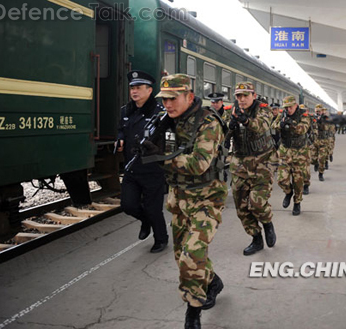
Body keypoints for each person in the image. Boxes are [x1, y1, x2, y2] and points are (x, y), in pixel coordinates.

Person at [156, 74, 228, 328]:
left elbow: (198, 164)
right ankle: (213, 281)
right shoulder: (167, 122)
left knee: (191, 256)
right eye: (164, 99)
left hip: (207, 199)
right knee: (182, 257)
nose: (168, 104)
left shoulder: (208, 123)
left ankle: (193, 311)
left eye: (173, 98)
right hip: (180, 199)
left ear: (189, 96)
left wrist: (161, 157)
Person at [116, 70, 169, 253]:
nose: (134, 92)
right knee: (127, 205)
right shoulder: (126, 110)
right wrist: (120, 138)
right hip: (131, 168)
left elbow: (169, 139)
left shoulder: (160, 113)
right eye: (132, 88)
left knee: (154, 209)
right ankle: (145, 221)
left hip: (152, 169)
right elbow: (121, 129)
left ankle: (161, 239)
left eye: (138, 88)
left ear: (149, 90)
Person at [228, 82, 277, 255]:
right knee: (242, 209)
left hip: (262, 163)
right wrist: (230, 127)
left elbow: (261, 126)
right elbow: (222, 135)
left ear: (253, 96)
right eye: (238, 96)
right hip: (240, 165)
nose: (241, 99)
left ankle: (267, 223)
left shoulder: (264, 110)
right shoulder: (232, 110)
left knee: (257, 203)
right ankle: (256, 239)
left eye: (245, 95)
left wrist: (245, 120)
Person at [273, 96, 310, 215]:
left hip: (299, 152)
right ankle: (288, 192)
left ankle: (297, 203)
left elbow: (303, 129)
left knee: (298, 180)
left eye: (290, 107)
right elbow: (273, 125)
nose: (288, 109)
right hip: (285, 151)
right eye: (286, 107)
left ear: (296, 105)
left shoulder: (303, 115)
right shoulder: (282, 114)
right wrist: (281, 125)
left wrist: (292, 124)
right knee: (281, 179)